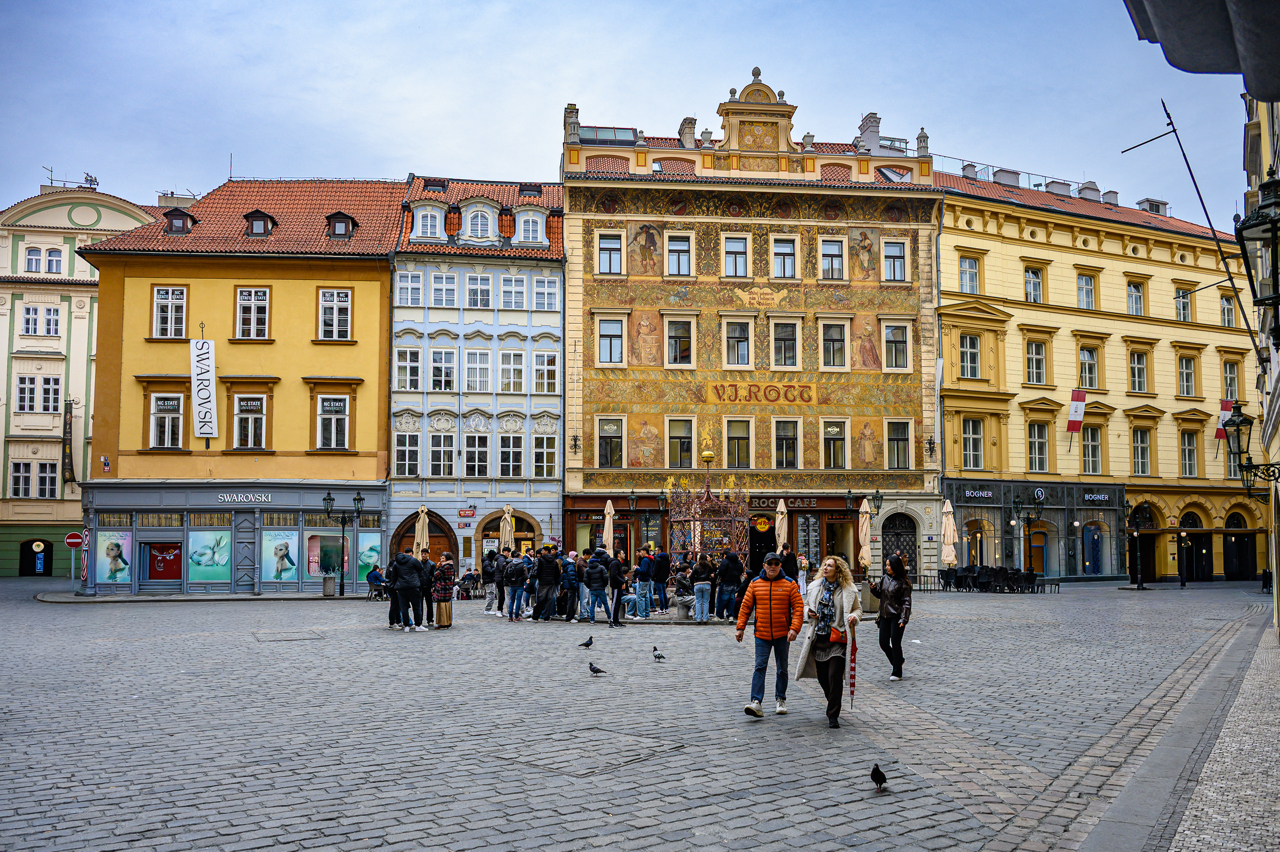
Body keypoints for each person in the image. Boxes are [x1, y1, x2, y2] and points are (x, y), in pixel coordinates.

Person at [736, 552, 805, 717]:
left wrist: (794, 629)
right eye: (770, 563)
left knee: (782, 668)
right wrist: (740, 627)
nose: (773, 566)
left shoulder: (789, 584)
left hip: (783, 634)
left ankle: (780, 698)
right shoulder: (755, 584)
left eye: (776, 563)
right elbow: (746, 607)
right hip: (762, 634)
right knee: (759, 667)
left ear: (780, 566)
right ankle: (756, 702)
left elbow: (798, 608)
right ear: (764, 565)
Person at [796, 555, 861, 728]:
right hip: (819, 637)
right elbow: (806, 605)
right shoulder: (815, 587)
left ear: (837, 570)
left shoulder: (848, 590)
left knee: (834, 676)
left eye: (830, 566)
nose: (825, 568)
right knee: (823, 677)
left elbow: (857, 609)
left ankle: (833, 715)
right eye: (825, 565)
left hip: (838, 637)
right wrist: (808, 611)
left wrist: (854, 617)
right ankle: (832, 701)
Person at [870, 554, 912, 681]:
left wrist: (903, 619)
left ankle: (897, 671)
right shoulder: (884, 579)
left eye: (889, 565)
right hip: (884, 615)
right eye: (886, 565)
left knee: (895, 642)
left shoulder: (903, 583)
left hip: (896, 616)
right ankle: (897, 661)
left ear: (895, 566)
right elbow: (880, 595)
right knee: (883, 642)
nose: (887, 567)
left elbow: (907, 602)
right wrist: (873, 589)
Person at [387, 548, 426, 632]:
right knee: (416, 607)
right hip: (413, 586)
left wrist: (395, 587)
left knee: (404, 608)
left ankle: (406, 626)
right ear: (410, 554)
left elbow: (393, 576)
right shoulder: (413, 560)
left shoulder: (396, 563)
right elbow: (421, 569)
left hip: (401, 588)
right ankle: (418, 625)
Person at [534, 544, 561, 622]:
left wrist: (539, 578)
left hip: (542, 582)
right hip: (551, 582)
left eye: (543, 551)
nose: (541, 552)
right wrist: (553, 579)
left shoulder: (541, 560)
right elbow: (557, 573)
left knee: (540, 599)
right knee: (549, 599)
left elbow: (538, 571)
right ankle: (546, 616)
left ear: (546, 551)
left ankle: (536, 616)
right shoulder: (554, 561)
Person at [584, 549, 611, 623]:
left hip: (593, 589)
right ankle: (609, 617)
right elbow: (605, 577)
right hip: (601, 588)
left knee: (592, 604)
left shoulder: (588, 569)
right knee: (605, 603)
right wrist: (604, 585)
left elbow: (585, 580)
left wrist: (590, 586)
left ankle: (592, 619)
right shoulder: (601, 568)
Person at [716, 551, 743, 621]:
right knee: (731, 599)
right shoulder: (739, 562)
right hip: (735, 583)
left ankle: (720, 615)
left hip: (726, 582)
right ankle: (730, 615)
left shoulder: (725, 562)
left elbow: (721, 572)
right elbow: (741, 571)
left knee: (722, 599)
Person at [432, 552, 456, 629]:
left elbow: (436, 575)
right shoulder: (451, 566)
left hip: (443, 589)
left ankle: (443, 622)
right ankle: (448, 621)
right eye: (441, 558)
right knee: (447, 606)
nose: (441, 560)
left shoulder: (444, 567)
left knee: (442, 607)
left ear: (447, 559)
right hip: (448, 588)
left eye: (443, 558)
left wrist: (438, 567)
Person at [503, 551, 527, 622]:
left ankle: (510, 616)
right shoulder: (522, 565)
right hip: (520, 585)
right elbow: (526, 576)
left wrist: (510, 580)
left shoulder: (510, 564)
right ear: (519, 557)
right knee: (518, 600)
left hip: (512, 584)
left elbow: (505, 575)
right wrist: (521, 579)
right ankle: (516, 617)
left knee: (511, 600)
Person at [608, 549, 627, 628]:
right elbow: (614, 575)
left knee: (618, 603)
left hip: (618, 585)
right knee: (615, 603)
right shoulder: (615, 563)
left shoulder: (618, 563)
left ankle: (616, 620)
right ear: (618, 555)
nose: (624, 554)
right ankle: (612, 620)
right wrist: (622, 582)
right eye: (622, 553)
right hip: (616, 585)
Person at [691, 556, 714, 623]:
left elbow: (692, 577)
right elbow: (712, 576)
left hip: (698, 584)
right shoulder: (709, 566)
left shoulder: (696, 566)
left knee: (698, 602)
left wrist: (693, 583)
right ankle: (705, 618)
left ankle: (698, 618)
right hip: (706, 584)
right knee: (706, 602)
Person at [634, 546, 653, 619]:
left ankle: (641, 614)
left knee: (640, 597)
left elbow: (644, 571)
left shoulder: (645, 560)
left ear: (645, 551)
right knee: (646, 597)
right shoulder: (649, 559)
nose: (640, 553)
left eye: (641, 551)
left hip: (643, 580)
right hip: (647, 580)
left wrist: (636, 569)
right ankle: (646, 614)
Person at [561, 551, 580, 623]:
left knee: (570, 601)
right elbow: (571, 577)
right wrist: (575, 585)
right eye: (576, 557)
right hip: (571, 586)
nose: (577, 558)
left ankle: (570, 615)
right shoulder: (570, 565)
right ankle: (569, 617)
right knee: (571, 601)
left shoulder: (568, 564)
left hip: (569, 585)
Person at [420, 548, 437, 627]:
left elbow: (434, 576)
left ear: (428, 554)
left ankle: (430, 619)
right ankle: (419, 619)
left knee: (429, 604)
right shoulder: (418, 563)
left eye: (425, 554)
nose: (423, 555)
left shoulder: (432, 564)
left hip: (428, 585)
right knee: (419, 604)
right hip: (420, 586)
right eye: (422, 554)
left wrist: (433, 586)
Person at [652, 544, 671, 614]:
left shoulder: (657, 559)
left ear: (659, 551)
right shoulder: (667, 559)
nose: (655, 552)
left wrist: (653, 577)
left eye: (656, 550)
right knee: (664, 593)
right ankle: (666, 608)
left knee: (660, 594)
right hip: (664, 578)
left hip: (658, 578)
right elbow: (668, 569)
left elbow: (655, 570)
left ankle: (661, 609)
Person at [481, 550, 501, 615]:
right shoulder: (487, 563)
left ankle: (488, 609)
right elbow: (489, 571)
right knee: (490, 595)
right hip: (489, 581)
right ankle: (487, 609)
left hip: (490, 580)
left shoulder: (488, 562)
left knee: (491, 594)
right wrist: (496, 568)